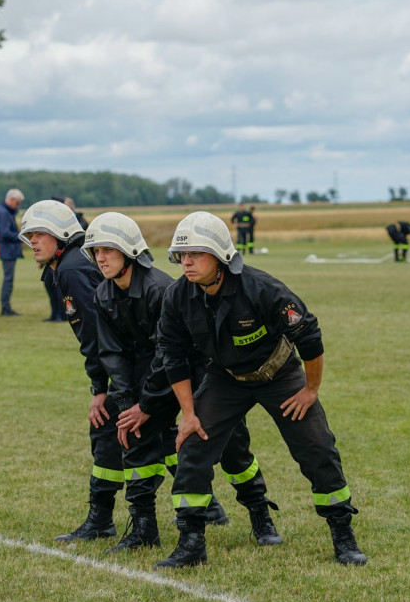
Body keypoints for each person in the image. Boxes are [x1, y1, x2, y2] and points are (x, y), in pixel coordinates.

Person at [153, 211, 366, 569]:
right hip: (225, 379)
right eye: (181, 255)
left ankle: (343, 534)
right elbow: (172, 356)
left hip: (280, 375)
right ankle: (191, 544)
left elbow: (309, 336)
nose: (186, 262)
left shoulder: (261, 288)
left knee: (317, 447)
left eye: (196, 254)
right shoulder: (176, 297)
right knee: (192, 445)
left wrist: (310, 390)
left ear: (220, 256)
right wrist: (188, 414)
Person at [81, 213, 280, 553]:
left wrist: (147, 404)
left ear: (129, 252)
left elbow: (170, 354)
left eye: (108, 250)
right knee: (135, 436)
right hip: (151, 375)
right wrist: (128, 404)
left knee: (232, 446)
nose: (100, 258)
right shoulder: (102, 293)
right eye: (96, 251)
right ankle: (144, 529)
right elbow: (112, 352)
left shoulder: (159, 290)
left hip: (193, 371)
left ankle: (260, 513)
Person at [18, 200, 123, 541]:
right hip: (131, 361)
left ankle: (101, 522)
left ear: (61, 234)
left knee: (106, 431)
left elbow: (94, 335)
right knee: (154, 434)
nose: (33, 241)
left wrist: (100, 388)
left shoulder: (70, 269)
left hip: (126, 364)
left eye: (40, 233)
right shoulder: (70, 263)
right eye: (30, 235)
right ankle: (210, 507)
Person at [0, 188, 24, 316]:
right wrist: (21, 236)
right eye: (17, 203)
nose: (18, 206)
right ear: (11, 200)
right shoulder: (4, 213)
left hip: (9, 250)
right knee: (8, 280)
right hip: (8, 251)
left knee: (9, 279)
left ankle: (6, 307)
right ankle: (5, 308)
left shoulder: (6, 211)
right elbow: (5, 233)